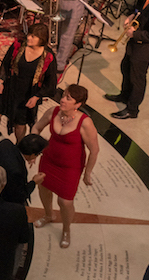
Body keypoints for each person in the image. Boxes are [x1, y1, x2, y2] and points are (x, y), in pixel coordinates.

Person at [33, 84, 99, 249]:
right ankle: (49, 215)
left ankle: (66, 229)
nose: (62, 100)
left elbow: (94, 150)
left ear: (78, 104)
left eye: (68, 98)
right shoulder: (53, 112)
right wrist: (32, 148)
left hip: (70, 167)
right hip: (48, 159)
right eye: (63, 95)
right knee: (44, 189)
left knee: (65, 201)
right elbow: (36, 127)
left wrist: (87, 173)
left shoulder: (85, 122)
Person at [0, 23, 58, 146]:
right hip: (11, 86)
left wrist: (36, 97)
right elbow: (5, 64)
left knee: (19, 125)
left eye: (33, 37)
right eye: (29, 35)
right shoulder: (18, 46)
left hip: (27, 94)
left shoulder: (48, 56)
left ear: (41, 39)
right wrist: (1, 82)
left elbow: (51, 83)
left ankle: (19, 145)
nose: (29, 38)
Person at [0, 132, 48, 207]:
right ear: (32, 154)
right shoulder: (16, 171)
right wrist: (34, 182)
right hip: (2, 202)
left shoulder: (5, 143)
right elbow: (19, 196)